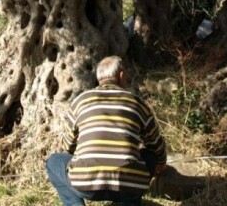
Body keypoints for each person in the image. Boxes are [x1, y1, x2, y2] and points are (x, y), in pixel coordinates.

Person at [45, 56, 168, 206]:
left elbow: (68, 146)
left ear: (99, 78)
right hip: (127, 186)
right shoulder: (137, 103)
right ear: (121, 75)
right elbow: (156, 144)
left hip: (85, 185)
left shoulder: (80, 101)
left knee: (53, 161)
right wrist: (161, 162)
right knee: (149, 156)